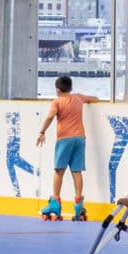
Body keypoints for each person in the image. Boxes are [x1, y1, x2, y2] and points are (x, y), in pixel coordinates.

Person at [36, 74, 88, 223]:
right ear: (71, 88)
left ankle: (55, 203)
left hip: (65, 139)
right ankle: (78, 205)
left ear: (58, 90)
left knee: (59, 171)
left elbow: (50, 117)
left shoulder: (57, 102)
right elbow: (94, 98)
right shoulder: (79, 98)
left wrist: (42, 132)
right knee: (76, 171)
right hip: (80, 138)